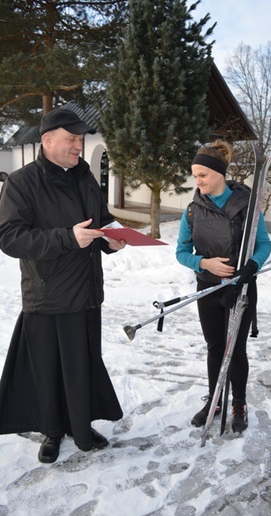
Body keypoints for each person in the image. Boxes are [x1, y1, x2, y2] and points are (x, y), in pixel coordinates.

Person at [0, 107, 126, 463]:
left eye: (81, 138)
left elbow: (99, 223)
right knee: (49, 370)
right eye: (71, 139)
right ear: (47, 140)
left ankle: (80, 425)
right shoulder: (22, 182)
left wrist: (111, 239)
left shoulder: (86, 178)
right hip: (47, 296)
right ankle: (52, 432)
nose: (78, 145)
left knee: (83, 364)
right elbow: (10, 239)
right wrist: (67, 238)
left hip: (87, 294)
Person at [176, 140, 271, 433]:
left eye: (202, 174)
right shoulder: (193, 210)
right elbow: (182, 252)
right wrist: (205, 264)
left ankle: (238, 403)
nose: (198, 180)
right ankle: (215, 399)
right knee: (215, 346)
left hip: (240, 290)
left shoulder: (247, 206)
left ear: (219, 173)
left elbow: (264, 244)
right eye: (195, 175)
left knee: (236, 349)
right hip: (208, 289)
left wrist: (249, 269)